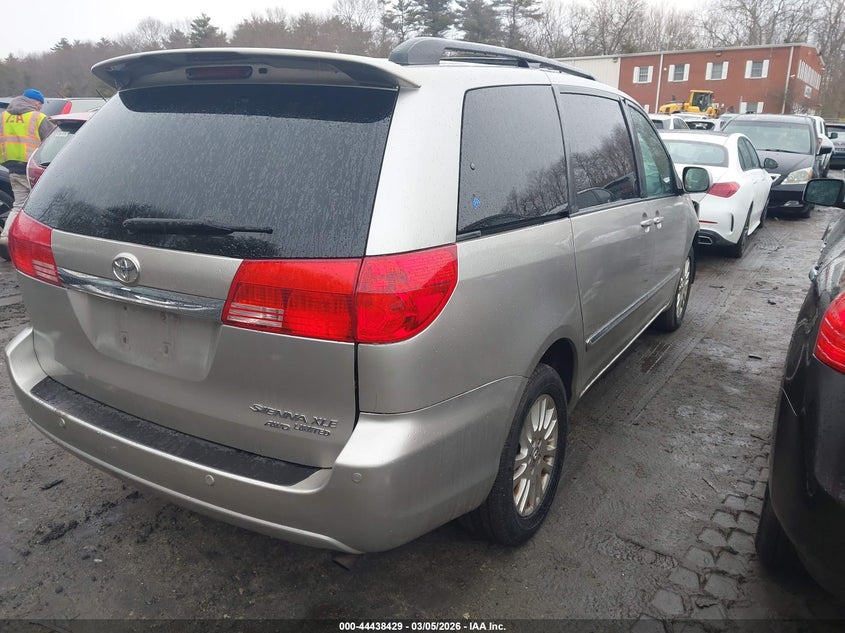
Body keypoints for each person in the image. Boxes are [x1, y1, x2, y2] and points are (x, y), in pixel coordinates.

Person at [0, 89, 55, 258]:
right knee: (42, 208)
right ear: (33, 101)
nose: (40, 107)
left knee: (19, 205)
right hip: (34, 168)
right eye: (40, 103)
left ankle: (5, 236)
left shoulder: (3, 116)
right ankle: (40, 247)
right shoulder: (37, 118)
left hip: (12, 168)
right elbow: (52, 140)